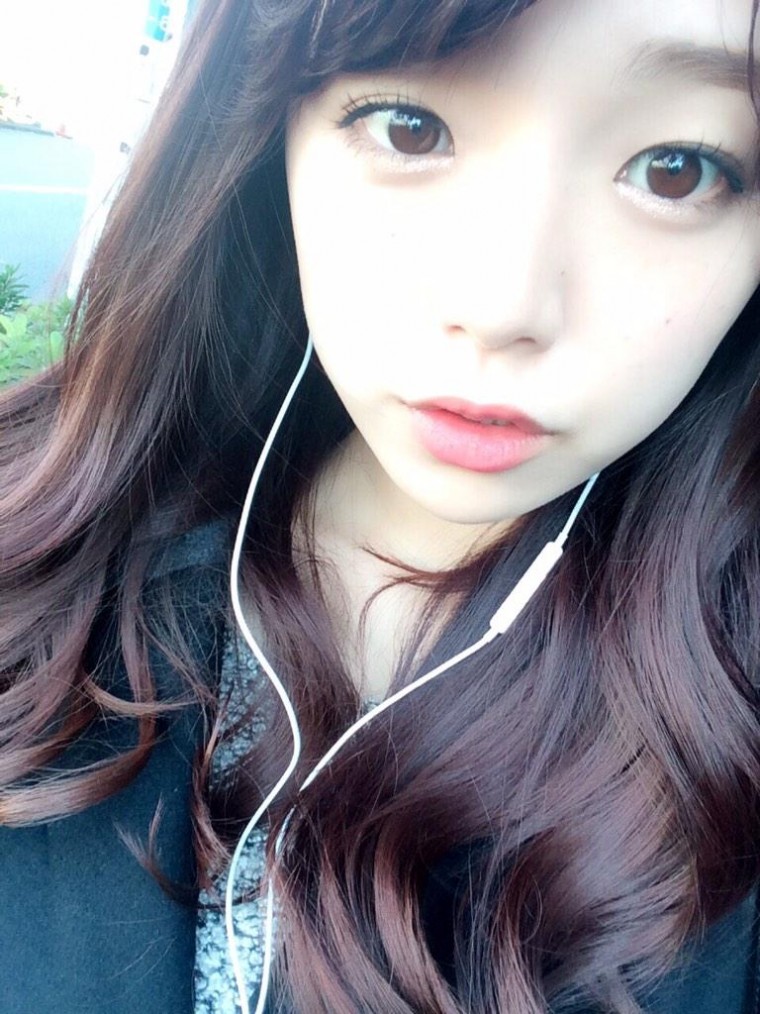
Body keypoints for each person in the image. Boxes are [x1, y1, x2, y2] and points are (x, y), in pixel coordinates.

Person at [2, 0, 760, 1011]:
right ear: (269, 132)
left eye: (677, 169)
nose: (501, 306)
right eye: (409, 127)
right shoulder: (40, 547)